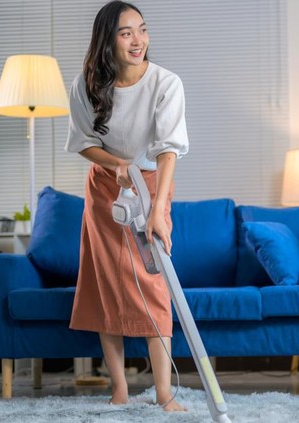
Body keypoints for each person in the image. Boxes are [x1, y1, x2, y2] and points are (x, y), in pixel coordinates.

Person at [64, 0, 188, 412]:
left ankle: (164, 394)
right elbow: (84, 143)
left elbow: (169, 150)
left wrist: (157, 210)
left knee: (153, 283)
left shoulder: (166, 83)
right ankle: (119, 390)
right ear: (107, 40)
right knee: (105, 285)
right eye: (126, 32)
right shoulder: (85, 86)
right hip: (104, 189)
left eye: (143, 30)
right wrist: (116, 164)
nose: (139, 40)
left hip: (150, 183)